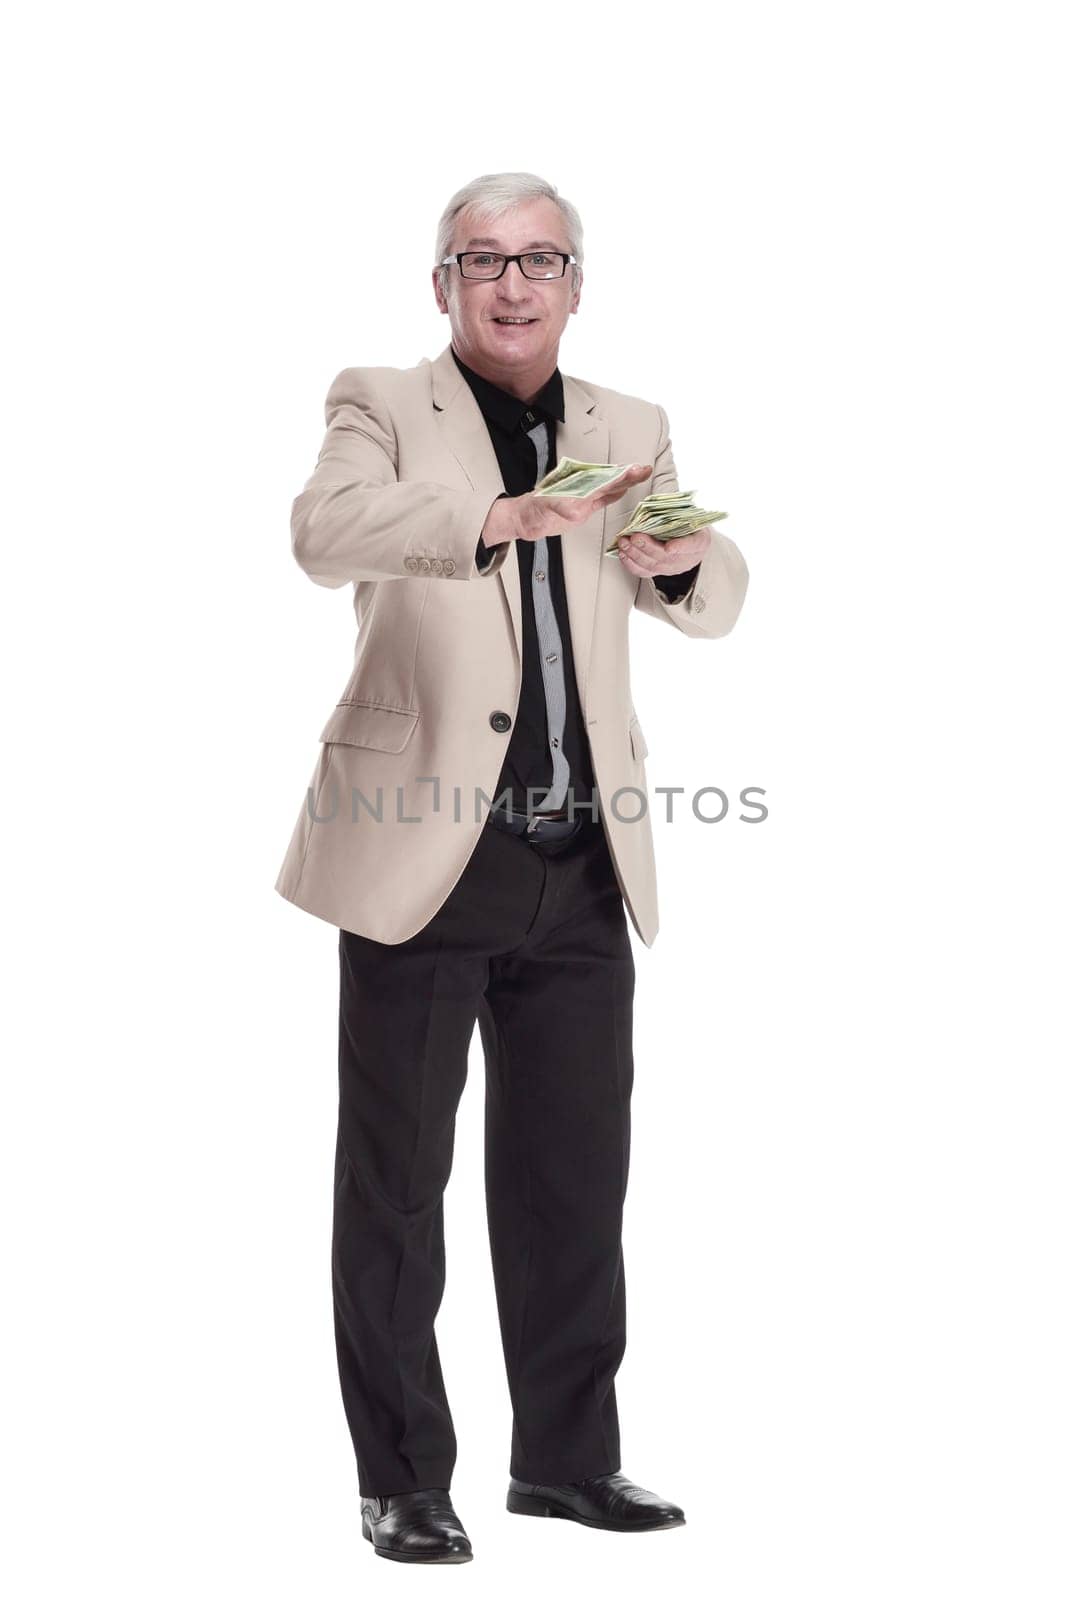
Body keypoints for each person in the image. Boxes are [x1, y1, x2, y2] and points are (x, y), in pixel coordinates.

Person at [275, 171, 749, 1565]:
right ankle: (403, 1477)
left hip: (583, 856)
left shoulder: (626, 426)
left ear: (576, 283)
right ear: (443, 285)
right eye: (482, 258)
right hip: (424, 845)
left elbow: (714, 594)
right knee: (396, 1185)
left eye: (541, 257)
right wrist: (488, 522)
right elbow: (321, 535)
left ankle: (565, 1461)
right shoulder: (380, 401)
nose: (514, 281)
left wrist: (673, 562)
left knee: (571, 1181)